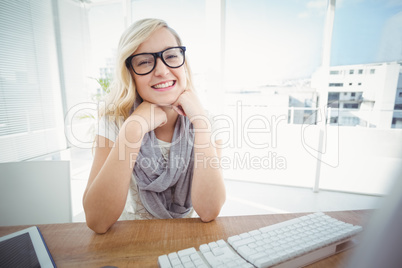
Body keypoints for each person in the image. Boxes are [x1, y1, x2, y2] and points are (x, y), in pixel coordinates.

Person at [82, 18, 226, 234]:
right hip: (131, 243)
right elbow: (97, 221)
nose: (162, 70)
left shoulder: (208, 121)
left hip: (186, 243)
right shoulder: (114, 124)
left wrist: (201, 124)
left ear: (184, 64)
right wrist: (133, 128)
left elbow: (208, 211)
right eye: (144, 62)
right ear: (130, 73)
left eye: (171, 56)